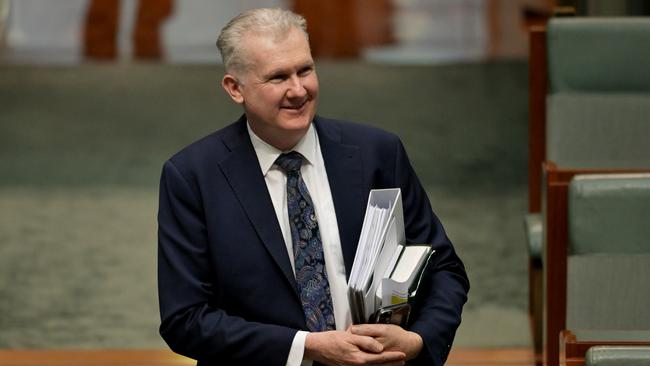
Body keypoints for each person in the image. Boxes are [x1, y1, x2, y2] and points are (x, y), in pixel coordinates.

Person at [157, 8, 469, 366]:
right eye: (277, 77)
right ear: (235, 89)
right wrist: (306, 347)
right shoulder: (193, 177)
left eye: (305, 70)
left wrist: (416, 340)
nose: (298, 90)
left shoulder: (378, 154)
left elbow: (444, 268)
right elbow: (185, 319)